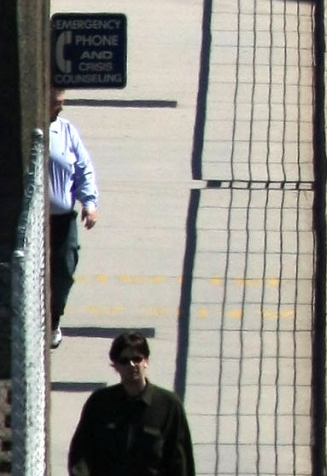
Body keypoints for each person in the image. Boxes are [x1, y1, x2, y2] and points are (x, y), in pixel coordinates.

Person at [67, 331, 197, 476]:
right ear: (115, 366)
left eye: (137, 359)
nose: (132, 365)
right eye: (124, 360)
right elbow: (81, 454)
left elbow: (181, 462)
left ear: (146, 361)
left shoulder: (169, 406)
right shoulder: (99, 403)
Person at [47, 89, 99, 348]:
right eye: (56, 103)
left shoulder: (65, 131)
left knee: (64, 271)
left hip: (62, 220)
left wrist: (89, 203)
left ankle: (53, 320)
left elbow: (83, 168)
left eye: (62, 103)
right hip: (32, 221)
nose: (60, 108)